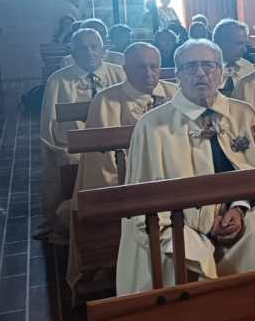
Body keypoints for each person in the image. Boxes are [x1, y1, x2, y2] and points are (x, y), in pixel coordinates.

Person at [117, 39, 255, 294]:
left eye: (208, 65)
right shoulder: (152, 126)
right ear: (178, 74)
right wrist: (205, 220)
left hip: (242, 211)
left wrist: (239, 207)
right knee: (180, 256)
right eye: (190, 67)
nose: (201, 73)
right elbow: (143, 202)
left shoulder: (243, 113)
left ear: (222, 71)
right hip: (177, 221)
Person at [66, 43, 178, 289]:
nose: (149, 74)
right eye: (141, 68)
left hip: (174, 177)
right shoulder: (106, 101)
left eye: (154, 67)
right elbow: (101, 162)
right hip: (128, 182)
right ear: (125, 70)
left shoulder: (175, 93)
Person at [37, 29, 127, 243]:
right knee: (73, 165)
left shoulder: (120, 73)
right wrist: (61, 152)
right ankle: (79, 226)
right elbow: (48, 125)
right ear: (72, 52)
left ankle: (120, 225)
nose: (89, 52)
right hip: (73, 148)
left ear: (103, 49)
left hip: (118, 145)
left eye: (94, 46)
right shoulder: (58, 80)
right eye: (82, 48)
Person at [212, 19, 255, 96]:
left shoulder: (248, 67)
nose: (244, 49)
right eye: (239, 44)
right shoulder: (204, 69)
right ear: (220, 43)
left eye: (245, 44)